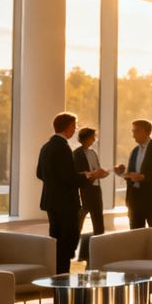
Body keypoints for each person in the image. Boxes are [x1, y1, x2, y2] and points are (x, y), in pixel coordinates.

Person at [37, 112, 105, 271]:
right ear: (67, 128)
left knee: (56, 241)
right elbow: (70, 178)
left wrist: (55, 182)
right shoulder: (63, 148)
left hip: (50, 201)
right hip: (65, 203)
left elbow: (40, 173)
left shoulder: (46, 147)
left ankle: (56, 277)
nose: (75, 130)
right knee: (67, 243)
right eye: (74, 126)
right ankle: (62, 278)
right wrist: (90, 175)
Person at [113, 119, 152, 229]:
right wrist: (122, 174)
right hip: (134, 200)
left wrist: (144, 178)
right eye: (133, 131)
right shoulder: (135, 151)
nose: (133, 135)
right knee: (135, 236)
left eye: (136, 131)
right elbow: (132, 176)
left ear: (147, 132)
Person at [72, 126, 107, 262]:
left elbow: (96, 170)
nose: (94, 139)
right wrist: (93, 175)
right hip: (85, 189)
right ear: (86, 137)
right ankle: (74, 247)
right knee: (80, 219)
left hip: (96, 189)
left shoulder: (92, 153)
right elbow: (80, 174)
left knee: (98, 218)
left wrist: (102, 173)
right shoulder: (77, 154)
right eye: (92, 136)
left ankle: (100, 247)